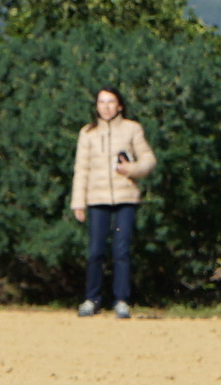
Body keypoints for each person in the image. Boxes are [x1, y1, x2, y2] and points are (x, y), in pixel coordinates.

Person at [71, 86, 157, 319]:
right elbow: (81, 169)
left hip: (125, 198)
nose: (106, 106)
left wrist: (133, 169)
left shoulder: (132, 129)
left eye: (111, 102)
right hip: (97, 200)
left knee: (121, 251)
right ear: (96, 106)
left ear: (119, 105)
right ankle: (92, 299)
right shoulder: (87, 133)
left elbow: (149, 159)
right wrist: (78, 202)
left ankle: (121, 300)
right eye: (101, 102)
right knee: (95, 251)